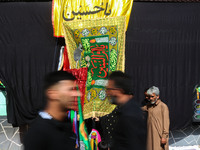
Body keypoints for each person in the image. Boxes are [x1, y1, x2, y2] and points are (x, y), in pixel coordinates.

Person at [24, 71, 80, 150]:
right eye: (70, 90)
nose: (77, 94)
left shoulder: (65, 122)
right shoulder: (38, 133)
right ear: (53, 94)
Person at [107, 71, 146, 150]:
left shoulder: (130, 115)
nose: (107, 93)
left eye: (109, 89)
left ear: (119, 91)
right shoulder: (126, 110)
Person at [142, 86, 170, 150]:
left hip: (159, 136)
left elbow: (166, 123)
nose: (150, 98)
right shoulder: (149, 106)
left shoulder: (163, 107)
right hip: (150, 135)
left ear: (157, 96)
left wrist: (164, 136)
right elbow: (142, 108)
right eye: (149, 97)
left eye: (152, 96)